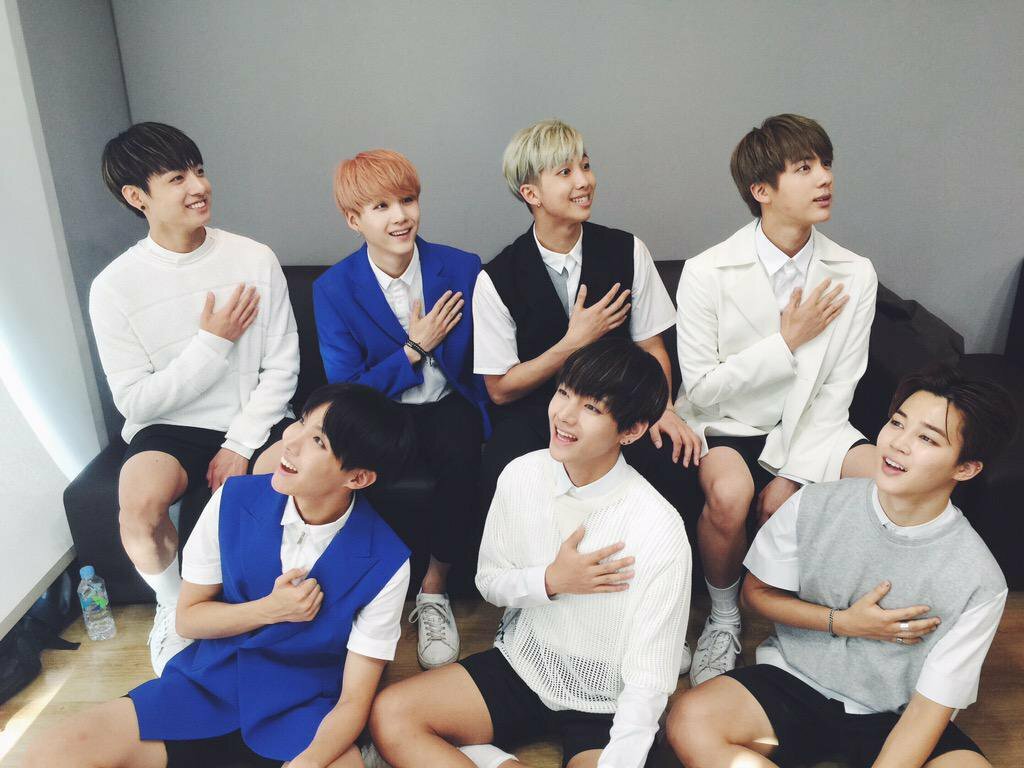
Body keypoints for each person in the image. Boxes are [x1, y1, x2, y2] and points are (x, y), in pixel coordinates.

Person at [24, 383, 415, 768]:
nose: (290, 441)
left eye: (318, 441)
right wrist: (270, 609)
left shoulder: (388, 561)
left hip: (302, 710)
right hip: (208, 685)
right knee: (52, 754)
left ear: (357, 478)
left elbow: (354, 700)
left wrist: (308, 763)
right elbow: (188, 619)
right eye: (301, 422)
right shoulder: (233, 499)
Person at [666, 367, 1017, 768]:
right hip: (794, 682)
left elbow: (928, 710)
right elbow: (756, 594)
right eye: (897, 423)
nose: (898, 443)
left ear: (966, 468)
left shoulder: (980, 580)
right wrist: (843, 622)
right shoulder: (814, 504)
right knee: (691, 720)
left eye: (927, 438)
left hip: (896, 715)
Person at [370, 338, 691, 768]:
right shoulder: (521, 474)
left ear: (631, 430)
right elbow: (489, 582)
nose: (564, 415)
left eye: (591, 408)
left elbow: (649, 677)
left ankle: (483, 757)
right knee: (392, 716)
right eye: (563, 393)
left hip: (607, 696)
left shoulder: (658, 525)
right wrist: (550, 581)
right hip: (526, 662)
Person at [675, 113, 878, 684]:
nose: (825, 178)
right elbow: (703, 387)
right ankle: (724, 617)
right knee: (732, 494)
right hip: (728, 422)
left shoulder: (855, 272)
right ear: (761, 190)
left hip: (815, 423)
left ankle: (818, 624)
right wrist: (785, 342)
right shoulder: (705, 271)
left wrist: (793, 471)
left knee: (891, 479)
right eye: (804, 168)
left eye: (826, 164)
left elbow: (840, 385)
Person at [92, 122, 299, 673]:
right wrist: (212, 343)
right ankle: (174, 607)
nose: (198, 187)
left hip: (254, 418)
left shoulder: (254, 258)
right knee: (139, 503)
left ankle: (264, 616)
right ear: (137, 197)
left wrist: (240, 444)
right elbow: (135, 401)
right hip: (169, 425)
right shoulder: (114, 286)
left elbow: (282, 369)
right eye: (176, 178)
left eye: (199, 171)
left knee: (285, 475)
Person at [473, 118, 701, 571]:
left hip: (616, 408)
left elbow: (652, 346)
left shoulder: (628, 250)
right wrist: (572, 342)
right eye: (565, 172)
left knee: (675, 461)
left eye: (586, 166)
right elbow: (499, 388)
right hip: (537, 413)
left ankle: (658, 582)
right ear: (531, 193)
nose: (584, 181)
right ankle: (530, 589)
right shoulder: (495, 278)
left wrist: (661, 408)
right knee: (502, 468)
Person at [314, 149, 489, 670]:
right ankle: (371, 598)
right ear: (354, 220)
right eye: (381, 207)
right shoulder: (333, 289)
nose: (400, 216)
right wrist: (414, 349)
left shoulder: (462, 267)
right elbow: (345, 389)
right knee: (353, 470)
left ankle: (434, 591)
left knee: (462, 455)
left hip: (449, 401)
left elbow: (488, 354)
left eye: (408, 200)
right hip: (380, 410)